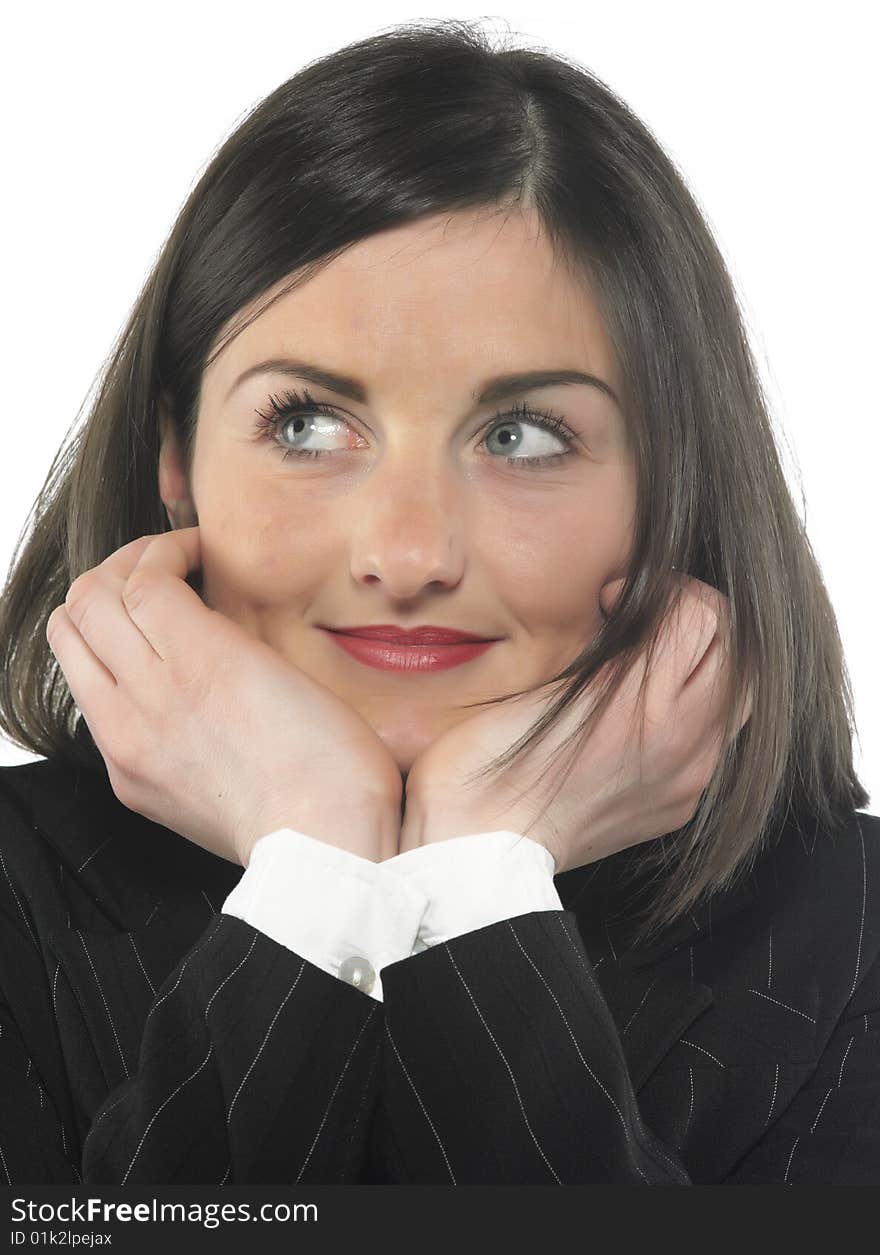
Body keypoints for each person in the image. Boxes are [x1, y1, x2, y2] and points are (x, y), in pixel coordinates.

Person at [0, 18, 876, 1186]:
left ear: (673, 481)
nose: (407, 554)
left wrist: (474, 888)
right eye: (306, 424)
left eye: (521, 435)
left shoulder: (854, 935)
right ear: (175, 455)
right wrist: (313, 871)